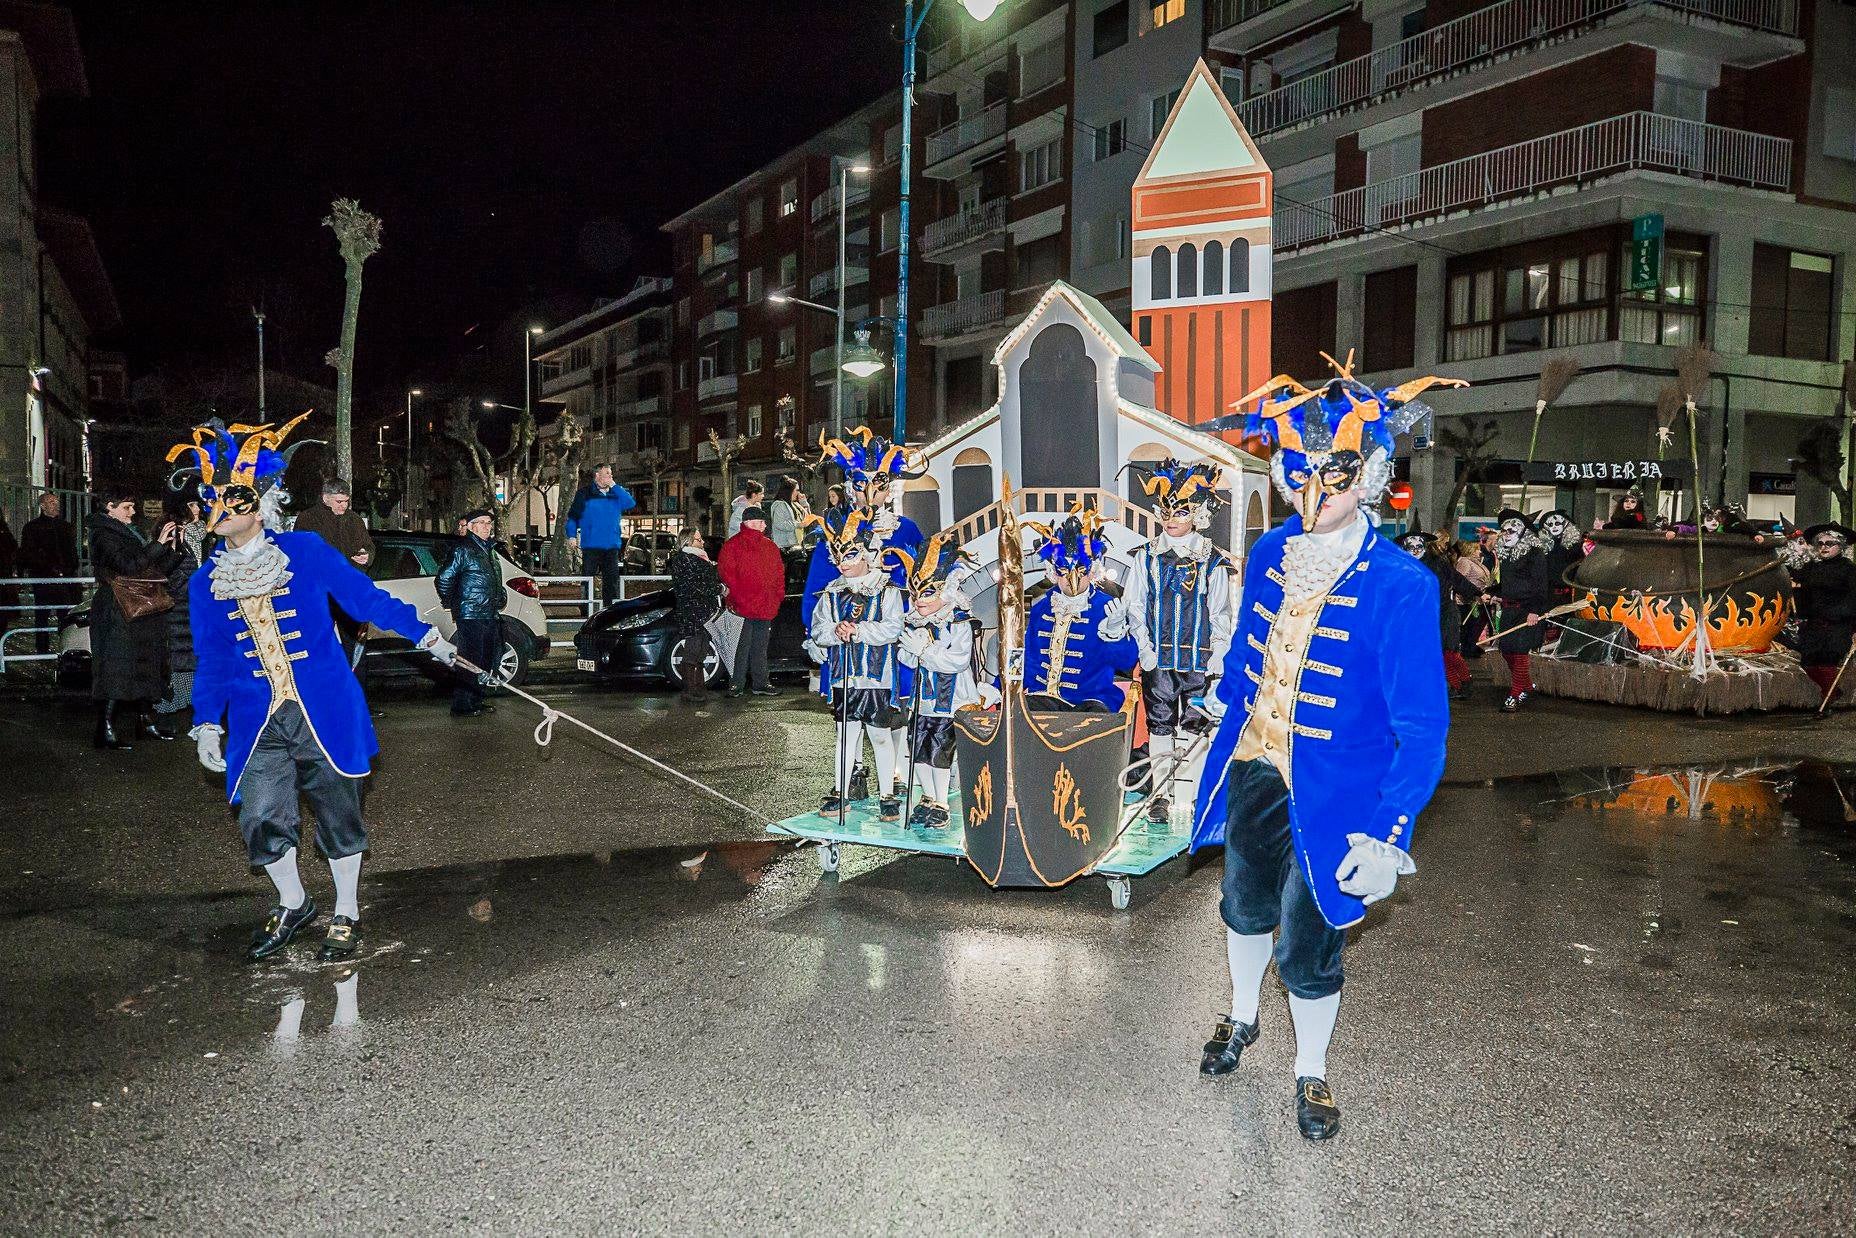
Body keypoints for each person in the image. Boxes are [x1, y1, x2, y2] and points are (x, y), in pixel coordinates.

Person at [1191, 363, 1452, 1142]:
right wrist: (1225, 694)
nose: (1314, 495)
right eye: (1300, 477)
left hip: (1340, 793)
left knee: (1310, 939)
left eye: (1332, 480)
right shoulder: (1272, 549)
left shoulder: (1403, 583)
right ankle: (1242, 1017)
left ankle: (1311, 1067)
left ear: (1368, 478)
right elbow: (1249, 644)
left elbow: (1424, 727)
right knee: (1242, 904)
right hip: (1253, 763)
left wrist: (1390, 832)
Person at [176, 413, 455, 962]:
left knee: (336, 809)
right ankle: (295, 901)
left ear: (250, 506)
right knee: (258, 814)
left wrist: (426, 634)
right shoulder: (205, 582)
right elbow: (211, 658)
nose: (208, 508)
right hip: (256, 716)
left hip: (321, 706)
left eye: (219, 498)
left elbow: (363, 597)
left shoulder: (302, 551)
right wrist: (206, 721)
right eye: (207, 499)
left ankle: (346, 910)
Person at [805, 427, 926, 802]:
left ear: (889, 488)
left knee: (893, 708)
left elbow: (922, 578)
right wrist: (816, 632)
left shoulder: (906, 529)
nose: (869, 493)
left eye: (878, 485)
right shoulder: (838, 530)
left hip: (893, 630)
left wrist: (919, 623)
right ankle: (852, 775)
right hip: (844, 633)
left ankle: (898, 775)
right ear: (851, 487)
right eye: (860, 486)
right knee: (847, 715)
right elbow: (818, 586)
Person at [1122, 457, 1232, 825]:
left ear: (1197, 513)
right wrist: (1144, 646)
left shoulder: (1212, 560)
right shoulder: (1146, 557)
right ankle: (1160, 796)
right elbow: (1135, 605)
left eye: (1181, 511)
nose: (1172, 518)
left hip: (1199, 661)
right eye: (1167, 510)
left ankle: (1197, 794)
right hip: (1160, 661)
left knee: (1199, 727)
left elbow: (1220, 612)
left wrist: (1219, 653)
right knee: (1160, 726)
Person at [806, 508, 905, 820]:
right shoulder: (831, 593)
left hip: (876, 678)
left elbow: (894, 628)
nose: (844, 563)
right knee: (845, 735)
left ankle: (887, 793)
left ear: (865, 555)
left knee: (879, 735)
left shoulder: (887, 591)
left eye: (850, 556)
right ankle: (841, 791)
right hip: (843, 676)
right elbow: (819, 627)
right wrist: (835, 632)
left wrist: (859, 630)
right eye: (839, 557)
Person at [892, 532, 981, 829]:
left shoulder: (959, 624)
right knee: (917, 749)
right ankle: (927, 797)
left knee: (940, 750)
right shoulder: (915, 623)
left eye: (927, 594)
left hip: (951, 702)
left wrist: (925, 652)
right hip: (924, 700)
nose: (918, 602)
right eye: (915, 594)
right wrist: (910, 651)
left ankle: (942, 801)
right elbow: (905, 659)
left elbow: (956, 662)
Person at [88, 486, 182, 749]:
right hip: (117, 608)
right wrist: (156, 545)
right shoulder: (102, 534)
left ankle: (145, 720)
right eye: (127, 507)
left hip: (141, 606)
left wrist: (173, 549)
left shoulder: (131, 532)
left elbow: (151, 571)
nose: (133, 512)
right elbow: (129, 566)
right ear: (110, 506)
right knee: (116, 666)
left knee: (147, 663)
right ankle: (104, 727)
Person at [1022, 507, 1139, 711]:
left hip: (1090, 701)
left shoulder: (1108, 607)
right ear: (1053, 571)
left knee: (1091, 722)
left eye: (1081, 571)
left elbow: (1126, 662)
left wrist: (1115, 635)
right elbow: (1027, 660)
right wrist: (998, 688)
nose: (1071, 580)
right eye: (1063, 571)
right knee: (1022, 717)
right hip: (1042, 701)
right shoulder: (1042, 608)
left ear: (1092, 571)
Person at [292, 477, 378, 669]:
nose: (344, 506)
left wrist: (366, 556)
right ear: (325, 498)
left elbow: (367, 546)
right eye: (339, 502)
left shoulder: (353, 519)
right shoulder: (308, 519)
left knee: (355, 645)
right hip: (320, 593)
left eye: (346, 501)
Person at [437, 508, 507, 717]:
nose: (487, 527)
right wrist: (454, 602)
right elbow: (443, 579)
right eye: (482, 522)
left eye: (489, 523)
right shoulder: (463, 549)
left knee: (486, 659)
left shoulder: (490, 550)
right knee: (470, 660)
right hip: (471, 614)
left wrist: (500, 595)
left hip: (489, 612)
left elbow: (494, 578)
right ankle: (462, 704)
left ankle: (476, 699)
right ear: (470, 526)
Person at [1397, 527, 1480, 698]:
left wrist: (1479, 593)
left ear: (1424, 546)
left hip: (1443, 614)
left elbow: (1457, 579)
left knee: (1448, 653)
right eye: (1410, 545)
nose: (1414, 549)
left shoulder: (1438, 562)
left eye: (1418, 544)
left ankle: (1464, 683)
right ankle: (1456, 686)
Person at [151, 494, 208, 738]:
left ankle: (187, 699)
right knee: (181, 653)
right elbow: (172, 573)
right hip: (181, 605)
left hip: (193, 606)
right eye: (194, 504)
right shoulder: (174, 534)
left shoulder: (198, 535)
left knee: (191, 652)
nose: (199, 508)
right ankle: (174, 700)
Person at [1487, 509, 1551, 711]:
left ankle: (1515, 694)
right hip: (1508, 610)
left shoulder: (1535, 554)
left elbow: (1541, 585)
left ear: (1523, 531)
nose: (1507, 532)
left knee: (1520, 651)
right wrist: (1492, 592)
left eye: (1512, 528)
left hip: (1526, 610)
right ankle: (1526, 685)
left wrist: (1535, 611)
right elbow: (1507, 583)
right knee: (1507, 651)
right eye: (1504, 529)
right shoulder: (1506, 555)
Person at [718, 504, 784, 698]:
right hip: (750, 605)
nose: (764, 525)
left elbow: (779, 574)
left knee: (751, 647)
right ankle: (747, 683)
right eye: (762, 521)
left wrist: (777, 595)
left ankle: (747, 684)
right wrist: (775, 596)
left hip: (753, 605)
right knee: (747, 647)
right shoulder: (739, 546)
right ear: (750, 523)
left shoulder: (736, 546)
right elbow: (727, 575)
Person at [1791, 523, 1856, 706]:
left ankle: (1827, 697)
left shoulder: (1849, 570)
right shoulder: (1812, 567)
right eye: (1820, 543)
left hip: (1838, 625)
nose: (1823, 547)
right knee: (1807, 661)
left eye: (1829, 543)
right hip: (1814, 624)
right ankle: (1832, 690)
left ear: (1840, 546)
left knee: (1827, 660)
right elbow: (1796, 576)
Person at [565, 463, 638, 608]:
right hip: (591, 545)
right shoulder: (584, 494)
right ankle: (586, 609)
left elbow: (630, 503)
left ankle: (611, 610)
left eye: (611, 474)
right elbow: (573, 516)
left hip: (611, 546)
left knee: (611, 581)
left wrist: (615, 486)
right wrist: (571, 535)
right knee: (588, 579)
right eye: (607, 474)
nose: (610, 477)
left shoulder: (616, 493)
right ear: (597, 475)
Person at [17, 492, 80, 653]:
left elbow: (71, 553)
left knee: (65, 615)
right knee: (43, 614)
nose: (56, 505)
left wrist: (69, 568)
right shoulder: (33, 528)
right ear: (42, 506)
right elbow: (29, 553)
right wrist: (49, 568)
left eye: (56, 502)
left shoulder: (64, 527)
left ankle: (65, 647)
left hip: (63, 578)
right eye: (51, 502)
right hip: (45, 578)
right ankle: (43, 648)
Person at [669, 526, 722, 704]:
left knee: (700, 649)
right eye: (699, 540)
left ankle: (697, 687)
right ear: (689, 541)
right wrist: (719, 589)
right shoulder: (686, 560)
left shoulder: (695, 559)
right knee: (693, 649)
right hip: (694, 612)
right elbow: (696, 586)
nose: (703, 542)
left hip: (701, 612)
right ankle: (690, 689)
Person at [1535, 508, 1586, 604]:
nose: (1554, 527)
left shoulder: (1575, 547)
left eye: (1557, 523)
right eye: (1550, 524)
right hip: (1547, 597)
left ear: (1565, 524)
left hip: (1569, 597)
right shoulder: (1544, 548)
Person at [767, 476, 806, 550]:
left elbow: (806, 517)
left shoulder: (794, 504)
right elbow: (779, 524)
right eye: (797, 490)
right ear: (790, 491)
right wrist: (798, 524)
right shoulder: (779, 505)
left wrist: (804, 503)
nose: (798, 493)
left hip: (796, 543)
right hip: (785, 546)